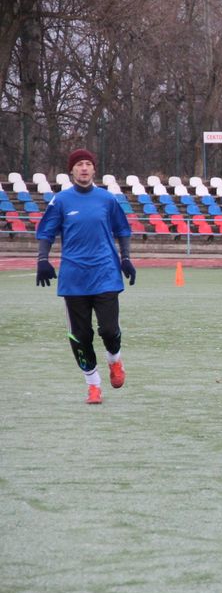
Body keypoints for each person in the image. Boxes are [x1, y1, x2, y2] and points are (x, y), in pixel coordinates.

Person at [35, 148, 136, 404]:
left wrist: (126, 258)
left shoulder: (107, 200)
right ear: (71, 171)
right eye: (79, 164)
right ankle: (93, 385)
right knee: (80, 337)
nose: (83, 168)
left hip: (105, 274)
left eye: (87, 164)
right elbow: (46, 231)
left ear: (94, 170)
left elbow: (123, 230)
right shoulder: (60, 201)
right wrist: (42, 260)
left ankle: (115, 361)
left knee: (109, 330)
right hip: (74, 278)